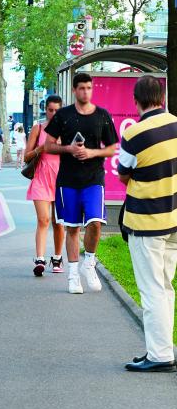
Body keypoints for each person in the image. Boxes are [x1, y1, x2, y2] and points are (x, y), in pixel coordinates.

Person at [118, 76, 177, 372]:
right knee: (166, 287)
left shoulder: (135, 134)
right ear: (162, 97)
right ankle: (163, 347)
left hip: (146, 222)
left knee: (152, 289)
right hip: (174, 218)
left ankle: (160, 354)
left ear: (137, 100)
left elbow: (123, 174)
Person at [44, 72, 119, 294]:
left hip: (94, 178)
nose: (86, 92)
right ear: (75, 90)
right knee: (73, 228)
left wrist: (91, 152)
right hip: (68, 180)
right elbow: (48, 145)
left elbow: (112, 147)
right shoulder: (63, 115)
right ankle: (73, 275)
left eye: (89, 88)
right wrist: (68, 149)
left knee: (95, 223)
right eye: (82, 88)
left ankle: (90, 262)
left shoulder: (102, 116)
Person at [24, 95, 65, 276]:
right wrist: (41, 148)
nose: (54, 113)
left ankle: (57, 257)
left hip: (62, 179)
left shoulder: (67, 129)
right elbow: (26, 157)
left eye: (57, 110)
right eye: (50, 110)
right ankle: (40, 259)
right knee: (43, 220)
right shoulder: (38, 128)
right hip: (41, 178)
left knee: (58, 223)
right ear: (46, 110)